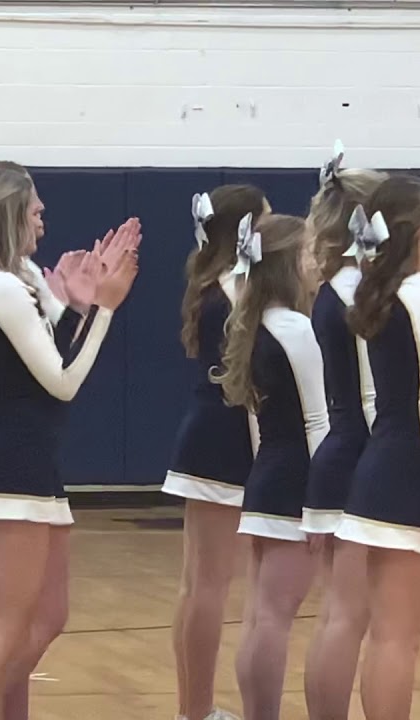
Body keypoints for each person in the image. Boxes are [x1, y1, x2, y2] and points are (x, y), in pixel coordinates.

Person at [0, 165, 139, 720]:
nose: (44, 218)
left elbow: (41, 359)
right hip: (8, 467)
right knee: (3, 629)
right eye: (36, 209)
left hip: (27, 462)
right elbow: (61, 381)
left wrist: (80, 302)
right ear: (8, 214)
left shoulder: (15, 276)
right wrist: (106, 308)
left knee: (47, 616)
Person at [336, 174, 420, 720]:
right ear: (415, 226)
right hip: (410, 476)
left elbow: (373, 399)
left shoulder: (384, 294)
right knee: (398, 638)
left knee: (387, 634)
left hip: (380, 470)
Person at [211, 213, 327, 720]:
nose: (316, 263)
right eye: (307, 254)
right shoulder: (297, 328)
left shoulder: (254, 325)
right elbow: (319, 420)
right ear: (284, 265)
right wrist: (327, 500)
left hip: (269, 479)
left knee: (260, 616)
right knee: (274, 617)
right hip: (296, 483)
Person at [163, 184, 270, 720]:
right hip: (224, 438)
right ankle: (198, 711)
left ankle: (192, 709)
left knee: (195, 584)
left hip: (205, 431)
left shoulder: (213, 282)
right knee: (208, 585)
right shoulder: (237, 290)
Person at [299, 143, 385, 720]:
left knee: (340, 614)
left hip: (340, 453)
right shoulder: (354, 289)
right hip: (358, 458)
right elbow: (376, 396)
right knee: (348, 617)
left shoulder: (337, 285)